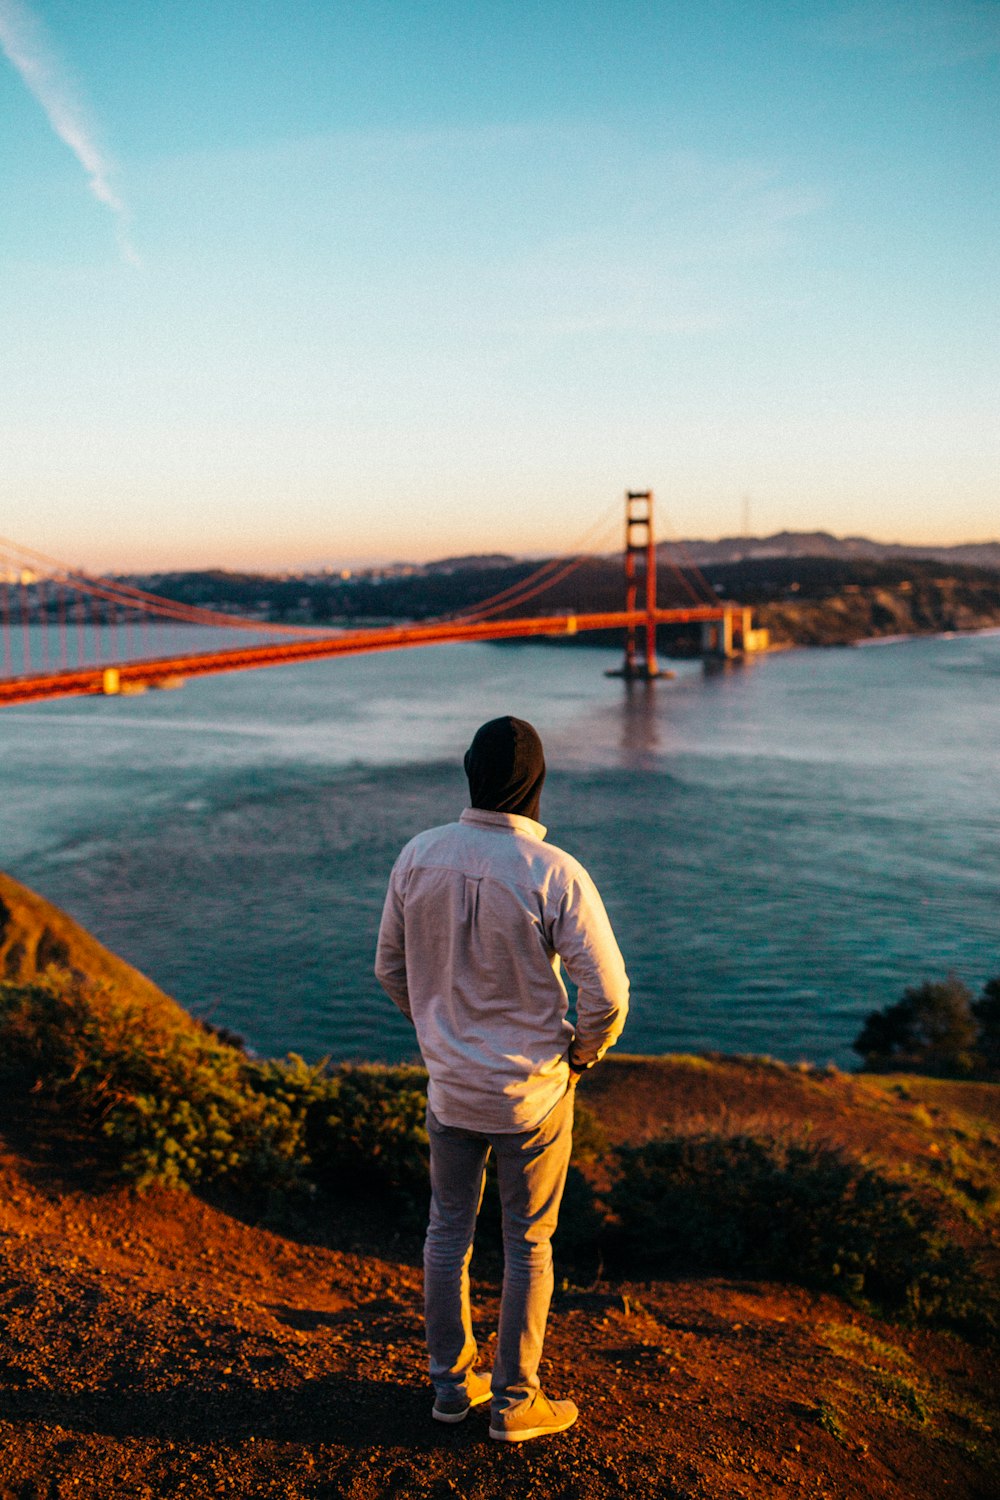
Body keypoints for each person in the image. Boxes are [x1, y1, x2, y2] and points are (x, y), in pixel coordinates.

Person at [374, 715, 629, 1443]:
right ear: (536, 783)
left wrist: (436, 1031)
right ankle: (517, 1402)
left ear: (470, 772)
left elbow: (389, 968)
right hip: (534, 1094)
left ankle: (451, 1389)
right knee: (528, 1244)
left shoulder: (418, 855)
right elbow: (608, 996)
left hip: (450, 1089)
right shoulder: (556, 873)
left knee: (446, 1233)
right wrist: (581, 1055)